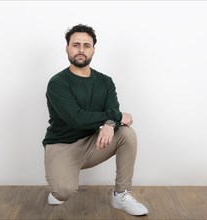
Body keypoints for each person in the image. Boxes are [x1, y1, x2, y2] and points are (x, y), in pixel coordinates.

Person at [42, 24, 148, 216]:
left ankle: (121, 194)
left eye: (86, 45)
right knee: (63, 192)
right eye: (76, 45)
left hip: (94, 144)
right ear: (67, 48)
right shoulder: (58, 83)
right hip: (62, 146)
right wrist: (115, 117)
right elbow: (76, 118)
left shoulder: (105, 81)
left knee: (127, 134)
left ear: (93, 50)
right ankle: (59, 185)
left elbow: (112, 112)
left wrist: (109, 123)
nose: (81, 50)